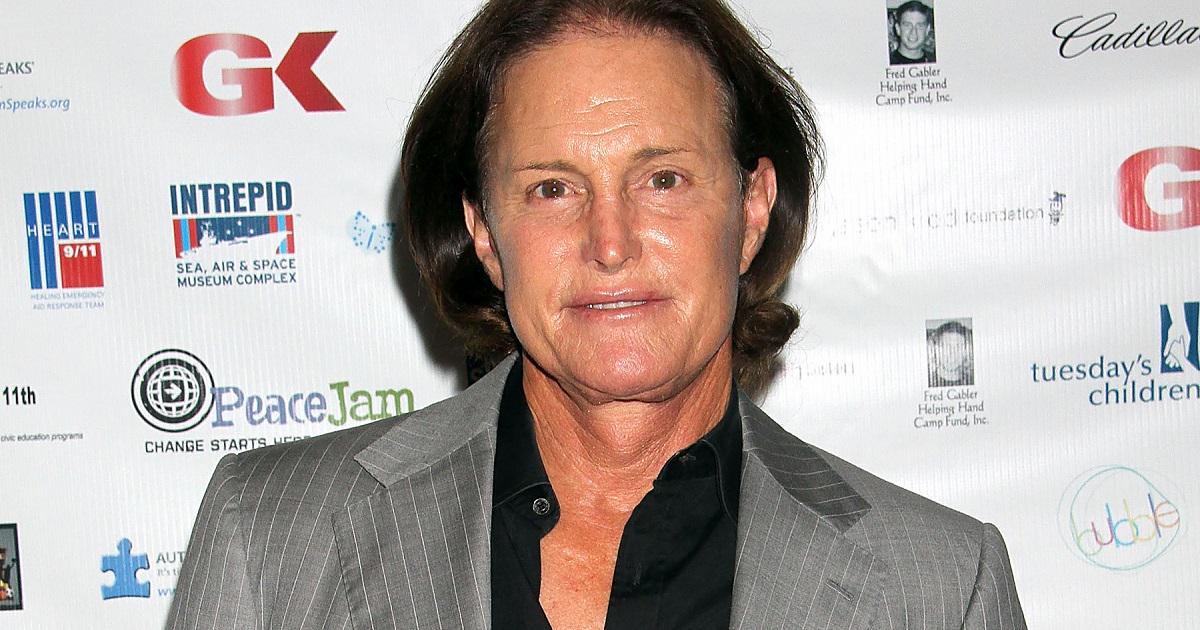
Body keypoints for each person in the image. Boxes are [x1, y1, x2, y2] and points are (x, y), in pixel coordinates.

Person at [167, 0, 1025, 628]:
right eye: (552, 188)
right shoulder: (272, 533)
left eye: (663, 179)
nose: (609, 243)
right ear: (485, 235)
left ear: (752, 210)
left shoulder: (942, 588)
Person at [928, 320, 975, 387]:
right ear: (936, 350)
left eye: (958, 347)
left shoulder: (972, 381)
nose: (952, 353)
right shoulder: (928, 382)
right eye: (946, 346)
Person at [890, 0, 937, 65]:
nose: (913, 32)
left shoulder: (937, 62)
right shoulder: (886, 63)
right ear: (898, 29)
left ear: (927, 30)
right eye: (907, 25)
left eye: (920, 26)